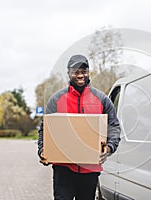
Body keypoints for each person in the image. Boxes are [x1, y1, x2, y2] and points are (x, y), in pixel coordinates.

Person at [37, 54, 121, 200]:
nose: (80, 75)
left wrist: (109, 148)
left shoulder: (102, 99)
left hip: (90, 170)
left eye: (84, 71)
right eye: (76, 71)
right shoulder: (56, 100)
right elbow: (45, 129)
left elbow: (113, 126)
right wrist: (42, 150)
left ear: (89, 72)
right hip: (63, 170)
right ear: (69, 73)